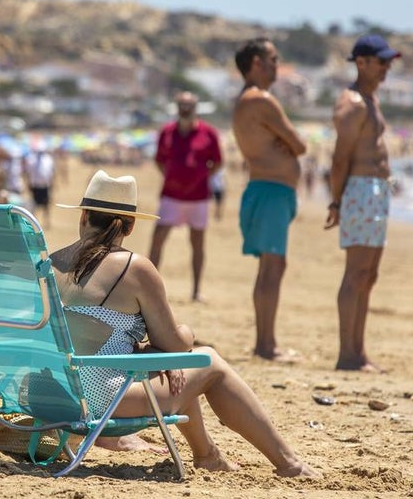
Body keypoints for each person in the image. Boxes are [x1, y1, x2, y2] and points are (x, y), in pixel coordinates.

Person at [51, 170, 317, 476]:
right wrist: (185, 335)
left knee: (174, 367)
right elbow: (175, 343)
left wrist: (153, 354)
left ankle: (208, 455)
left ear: (84, 216)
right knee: (210, 363)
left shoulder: (53, 263)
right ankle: (288, 463)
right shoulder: (133, 268)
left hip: (53, 394)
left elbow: (85, 332)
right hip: (100, 399)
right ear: (131, 225)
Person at [324, 34, 401, 373]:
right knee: (356, 272)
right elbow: (340, 159)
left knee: (369, 274)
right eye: (381, 61)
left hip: (376, 191)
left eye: (388, 62)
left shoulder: (370, 99)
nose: (387, 68)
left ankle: (359, 352)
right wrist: (337, 201)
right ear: (362, 62)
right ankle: (347, 354)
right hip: (359, 190)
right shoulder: (352, 103)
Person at [231, 39, 308, 362]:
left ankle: (266, 342)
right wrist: (288, 146)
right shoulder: (261, 100)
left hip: (266, 190)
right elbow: (299, 144)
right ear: (257, 63)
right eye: (273, 60)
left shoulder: (244, 101)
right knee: (272, 268)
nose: (278, 66)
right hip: (271, 191)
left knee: (270, 267)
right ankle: (266, 345)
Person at [149, 91, 223, 302]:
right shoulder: (167, 132)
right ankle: (150, 289)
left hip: (198, 198)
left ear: (196, 108)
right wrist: (170, 176)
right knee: (157, 240)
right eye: (182, 105)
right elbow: (159, 160)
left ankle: (196, 290)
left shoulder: (209, 133)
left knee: (198, 243)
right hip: (171, 196)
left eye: (189, 105)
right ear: (177, 107)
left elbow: (217, 162)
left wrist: (201, 178)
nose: (185, 109)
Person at [22, 142, 57, 227]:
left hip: (45, 186)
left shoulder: (48, 159)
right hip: (35, 186)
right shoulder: (31, 159)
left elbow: (52, 172)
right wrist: (28, 183)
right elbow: (27, 172)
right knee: (34, 204)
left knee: (46, 205)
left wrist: (52, 184)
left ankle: (46, 222)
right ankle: (33, 221)